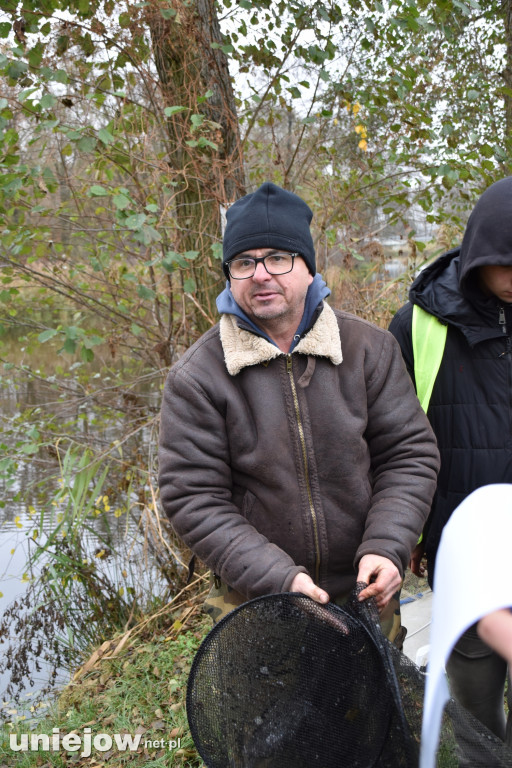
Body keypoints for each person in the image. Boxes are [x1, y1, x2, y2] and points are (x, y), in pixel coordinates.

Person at [158, 181, 440, 647]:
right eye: (244, 262)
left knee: (368, 716)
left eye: (278, 258)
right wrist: (279, 578)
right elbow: (193, 497)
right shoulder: (198, 375)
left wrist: (388, 546)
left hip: (366, 590)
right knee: (268, 719)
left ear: (308, 267)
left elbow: (409, 455)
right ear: (229, 275)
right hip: (258, 600)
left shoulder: (369, 349)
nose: (261, 274)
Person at [389, 176, 512, 743]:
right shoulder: (420, 324)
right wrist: (413, 531)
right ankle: (482, 748)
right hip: (463, 539)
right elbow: (393, 441)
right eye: (504, 264)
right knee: (474, 673)